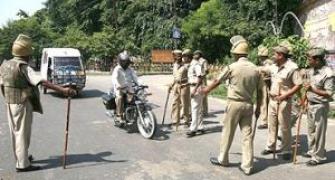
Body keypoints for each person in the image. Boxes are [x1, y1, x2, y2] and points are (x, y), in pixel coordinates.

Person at [0, 34, 76, 172]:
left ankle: (21, 157)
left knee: (15, 132)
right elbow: (41, 81)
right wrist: (63, 90)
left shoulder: (5, 65)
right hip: (22, 103)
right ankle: (23, 165)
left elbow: (2, 85)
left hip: (10, 103)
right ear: (26, 53)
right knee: (23, 133)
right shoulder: (23, 67)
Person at [202, 35, 262, 175]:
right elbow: (260, 92)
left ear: (236, 53)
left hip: (234, 104)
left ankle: (223, 159)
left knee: (228, 132)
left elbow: (218, 80)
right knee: (247, 136)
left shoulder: (232, 67)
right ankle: (247, 166)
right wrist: (258, 108)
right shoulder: (255, 69)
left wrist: (206, 90)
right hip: (248, 105)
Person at [261, 46, 302, 160]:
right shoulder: (274, 66)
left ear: (280, 55)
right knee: (271, 125)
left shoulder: (292, 68)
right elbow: (263, 69)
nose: (273, 56)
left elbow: (298, 85)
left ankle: (286, 149)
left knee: (284, 126)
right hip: (273, 100)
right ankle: (271, 146)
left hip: (284, 100)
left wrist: (285, 95)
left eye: (275, 54)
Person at [303, 48, 334, 166]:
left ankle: (319, 156)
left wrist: (313, 90)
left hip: (320, 106)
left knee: (319, 133)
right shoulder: (311, 71)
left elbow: (329, 93)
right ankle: (312, 151)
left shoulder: (328, 73)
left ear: (317, 60)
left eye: (309, 58)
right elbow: (307, 88)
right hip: (311, 104)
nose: (308, 60)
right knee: (311, 131)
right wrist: (305, 101)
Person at [111, 50, 139, 123]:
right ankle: (119, 115)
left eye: (125, 61)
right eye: (123, 61)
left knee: (137, 97)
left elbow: (135, 78)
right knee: (120, 98)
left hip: (128, 88)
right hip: (119, 88)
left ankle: (133, 112)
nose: (124, 62)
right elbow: (114, 78)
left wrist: (141, 84)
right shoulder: (117, 69)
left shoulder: (130, 69)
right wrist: (117, 85)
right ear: (120, 61)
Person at [185, 49, 204, 137]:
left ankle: (193, 129)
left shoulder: (196, 64)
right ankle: (200, 127)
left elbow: (200, 78)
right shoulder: (191, 65)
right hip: (194, 86)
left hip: (196, 88)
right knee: (198, 109)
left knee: (195, 109)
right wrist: (186, 84)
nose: (183, 59)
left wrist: (194, 89)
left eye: (184, 57)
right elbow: (193, 78)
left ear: (187, 57)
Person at [169, 49, 190, 128]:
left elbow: (191, 76)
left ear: (181, 56)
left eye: (178, 56)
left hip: (184, 85)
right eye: (175, 56)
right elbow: (175, 77)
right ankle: (175, 121)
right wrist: (171, 85)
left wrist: (188, 84)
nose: (176, 57)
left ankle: (186, 121)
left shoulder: (186, 65)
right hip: (176, 86)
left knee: (185, 104)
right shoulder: (174, 65)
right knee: (175, 104)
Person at [257, 46, 273, 129]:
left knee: (264, 103)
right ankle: (267, 120)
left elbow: (268, 73)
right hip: (267, 83)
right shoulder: (268, 62)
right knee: (266, 103)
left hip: (266, 84)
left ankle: (264, 121)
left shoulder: (267, 63)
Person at [194, 50, 209, 116]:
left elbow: (206, 70)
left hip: (202, 80)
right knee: (197, 95)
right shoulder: (195, 61)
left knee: (203, 96)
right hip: (197, 80)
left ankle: (205, 111)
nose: (194, 56)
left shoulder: (203, 61)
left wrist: (201, 75)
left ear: (199, 54)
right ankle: (199, 111)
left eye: (196, 54)